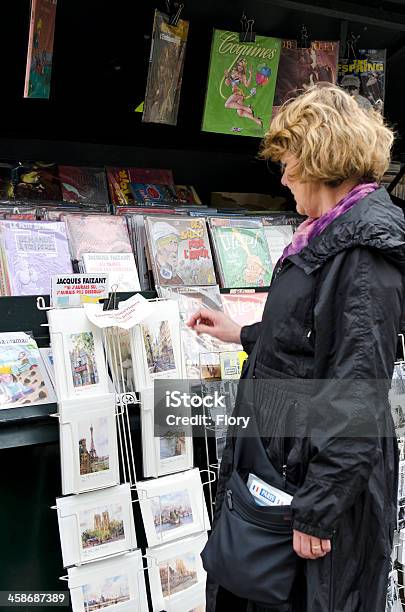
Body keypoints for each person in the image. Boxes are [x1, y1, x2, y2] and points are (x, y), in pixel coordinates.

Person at [188, 83, 405, 611]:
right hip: (286, 467)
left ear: (321, 158)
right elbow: (308, 341)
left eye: (289, 163)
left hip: (314, 488)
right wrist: (239, 334)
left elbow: (359, 391)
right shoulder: (329, 234)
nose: (283, 177)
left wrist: (318, 507)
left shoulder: (362, 253)